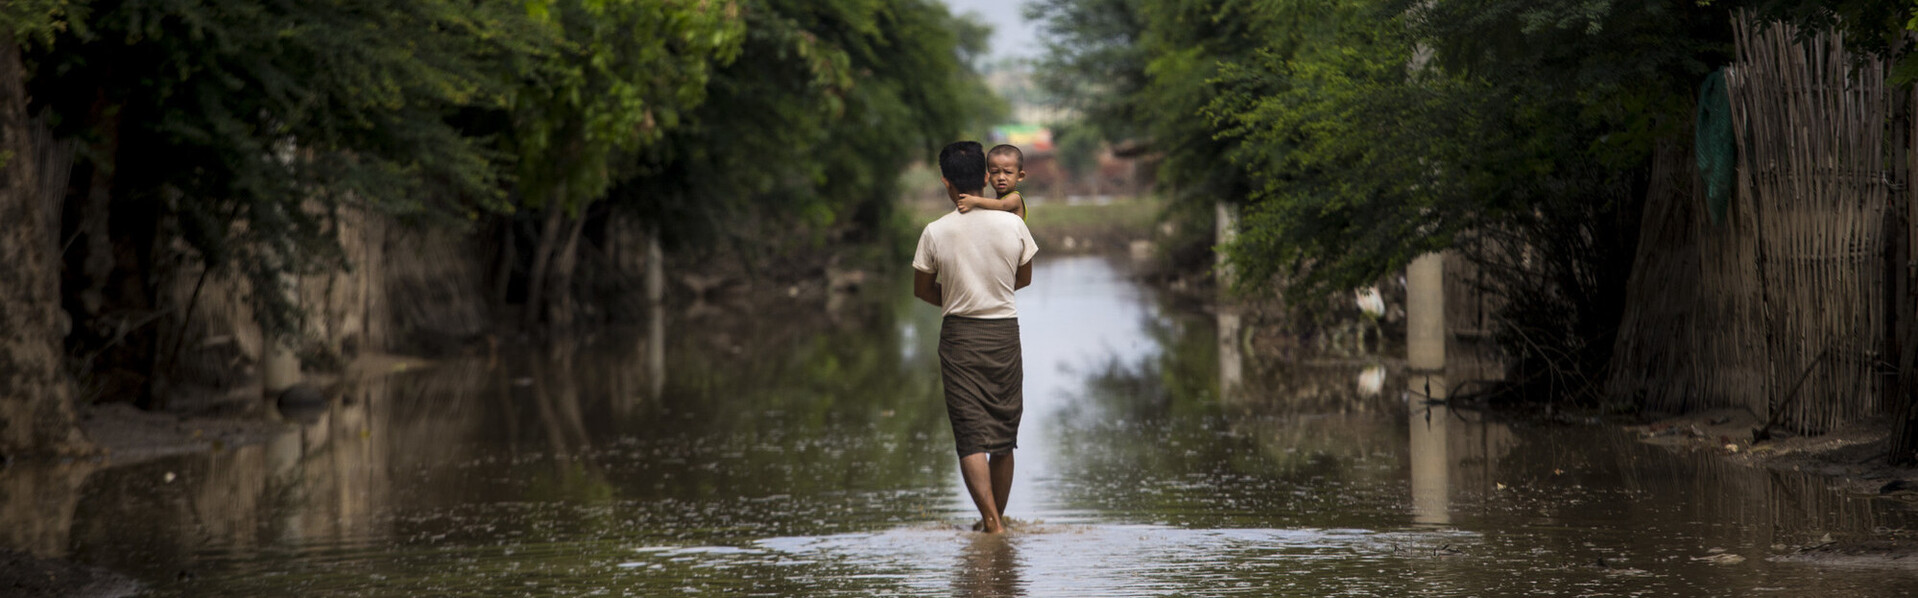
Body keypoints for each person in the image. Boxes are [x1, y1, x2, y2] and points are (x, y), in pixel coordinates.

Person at [912, 140, 1038, 534]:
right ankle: (995, 523)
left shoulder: (935, 232)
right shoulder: (1014, 224)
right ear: (986, 177)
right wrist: (989, 292)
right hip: (1003, 335)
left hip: (959, 338)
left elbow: (922, 289)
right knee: (1002, 435)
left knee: (970, 437)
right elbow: (1023, 279)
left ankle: (991, 524)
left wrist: (957, 296)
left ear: (946, 183)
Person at [955, 144, 1027, 219]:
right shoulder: (993, 202)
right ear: (989, 176)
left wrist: (975, 201)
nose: (1001, 178)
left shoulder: (1015, 198)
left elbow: (1002, 205)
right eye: (995, 172)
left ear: (1020, 176)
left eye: (1008, 172)